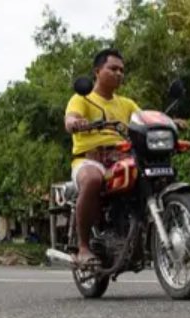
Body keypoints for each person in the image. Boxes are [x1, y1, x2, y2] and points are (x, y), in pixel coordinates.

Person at [63, 48, 140, 268]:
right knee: (92, 179)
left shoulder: (126, 104)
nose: (119, 74)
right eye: (113, 68)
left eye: (122, 70)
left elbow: (142, 119)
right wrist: (74, 123)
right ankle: (83, 247)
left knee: (151, 176)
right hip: (89, 160)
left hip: (121, 158)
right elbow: (70, 119)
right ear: (97, 71)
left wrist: (166, 121)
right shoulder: (82, 99)